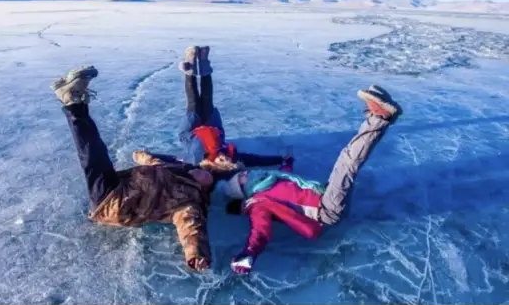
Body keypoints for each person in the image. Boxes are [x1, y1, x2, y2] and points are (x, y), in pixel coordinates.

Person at [222, 86, 402, 274]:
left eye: (242, 174)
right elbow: (260, 231)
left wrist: (286, 162)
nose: (246, 174)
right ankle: (380, 118)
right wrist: (249, 253)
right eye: (242, 178)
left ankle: (380, 118)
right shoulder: (257, 203)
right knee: (347, 161)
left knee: (348, 161)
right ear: (243, 190)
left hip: (325, 197)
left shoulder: (268, 181)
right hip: (326, 209)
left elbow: (285, 177)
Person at [52, 65, 215, 271]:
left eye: (206, 176)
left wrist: (196, 254)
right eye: (204, 170)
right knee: (95, 148)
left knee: (90, 151)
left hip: (115, 204)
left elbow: (191, 228)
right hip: (120, 185)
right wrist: (140, 155)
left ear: (205, 188)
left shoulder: (189, 201)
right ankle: (71, 99)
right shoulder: (174, 170)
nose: (202, 171)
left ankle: (72, 100)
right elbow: (149, 161)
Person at [136, 46, 288, 174]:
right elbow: (255, 160)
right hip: (212, 127)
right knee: (207, 99)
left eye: (222, 160)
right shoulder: (232, 156)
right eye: (228, 160)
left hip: (190, 132)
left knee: (194, 103)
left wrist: (148, 156)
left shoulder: (194, 161)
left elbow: (173, 159)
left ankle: (189, 68)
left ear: (213, 163)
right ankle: (203, 61)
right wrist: (280, 159)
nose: (226, 158)